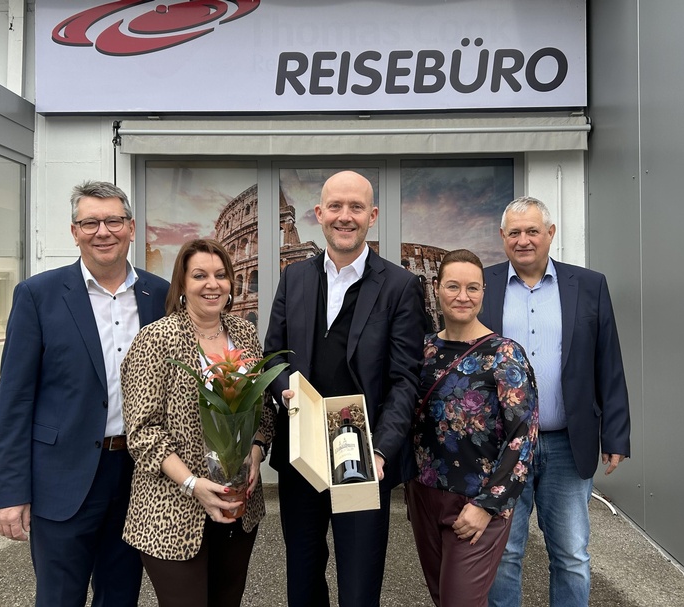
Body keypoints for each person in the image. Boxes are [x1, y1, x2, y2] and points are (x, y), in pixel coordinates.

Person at [0, 180, 170, 606]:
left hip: (137, 476)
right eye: (90, 222)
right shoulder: (38, 295)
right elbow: (15, 399)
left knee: (121, 593)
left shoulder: (159, 295)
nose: (102, 231)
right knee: (59, 597)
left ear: (130, 228)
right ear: (74, 232)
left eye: (112, 221)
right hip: (63, 476)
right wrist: (10, 492)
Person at [264, 170, 426, 607]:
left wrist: (382, 449)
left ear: (372, 216)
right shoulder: (294, 278)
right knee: (302, 577)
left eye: (356, 207)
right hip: (302, 452)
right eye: (335, 206)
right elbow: (273, 356)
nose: (344, 216)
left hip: (362, 454)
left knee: (359, 583)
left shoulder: (399, 286)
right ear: (319, 214)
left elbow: (405, 379)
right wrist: (285, 391)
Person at [482, 196, 631, 607]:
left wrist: (616, 434)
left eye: (533, 231)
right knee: (503, 555)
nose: (524, 240)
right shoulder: (484, 284)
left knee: (571, 556)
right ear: (502, 238)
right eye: (515, 232)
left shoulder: (588, 284)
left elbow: (609, 362)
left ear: (550, 234)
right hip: (502, 448)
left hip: (568, 442)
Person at [120, 239, 275, 607]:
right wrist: (192, 484)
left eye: (221, 275)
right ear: (182, 284)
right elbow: (142, 431)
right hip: (172, 509)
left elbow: (263, 410)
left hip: (237, 505)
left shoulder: (245, 335)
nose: (212, 284)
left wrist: (255, 452)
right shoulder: (157, 339)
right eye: (200, 275)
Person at [406, 248, 538, 607]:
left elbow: (522, 440)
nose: (462, 296)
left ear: (483, 292)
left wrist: (488, 505)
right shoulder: (422, 351)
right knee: (442, 597)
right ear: (436, 288)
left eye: (472, 288)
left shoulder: (505, 354)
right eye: (453, 286)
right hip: (424, 495)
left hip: (477, 501)